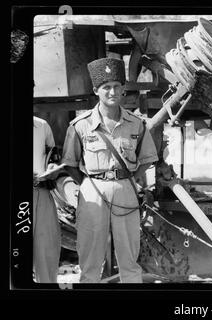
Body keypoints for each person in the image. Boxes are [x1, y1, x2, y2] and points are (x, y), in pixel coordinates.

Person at [62, 57, 159, 283]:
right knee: (90, 258)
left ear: (123, 89)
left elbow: (146, 159)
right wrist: (88, 183)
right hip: (93, 191)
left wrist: (128, 180)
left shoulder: (136, 124)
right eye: (106, 87)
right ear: (97, 90)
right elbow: (70, 163)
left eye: (117, 86)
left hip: (125, 188)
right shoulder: (81, 125)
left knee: (129, 258)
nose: (112, 92)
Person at [33, 116, 61, 283]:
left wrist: (52, 168)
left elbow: (52, 157)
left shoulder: (41, 125)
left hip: (41, 193)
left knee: (47, 250)